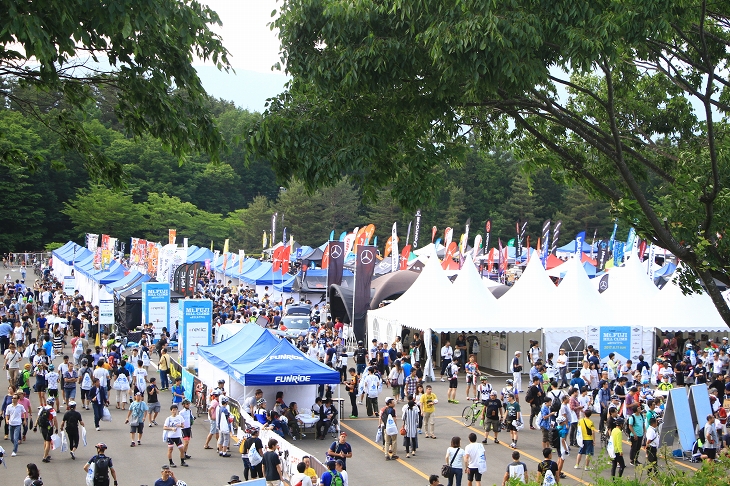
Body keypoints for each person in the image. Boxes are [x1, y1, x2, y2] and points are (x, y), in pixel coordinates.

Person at [35, 397, 59, 463]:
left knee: (45, 440)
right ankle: (44, 457)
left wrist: (35, 426)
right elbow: (55, 420)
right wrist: (57, 428)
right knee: (48, 441)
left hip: (42, 426)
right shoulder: (52, 410)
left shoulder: (42, 408)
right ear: (52, 403)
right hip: (49, 427)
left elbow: (38, 417)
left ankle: (46, 454)